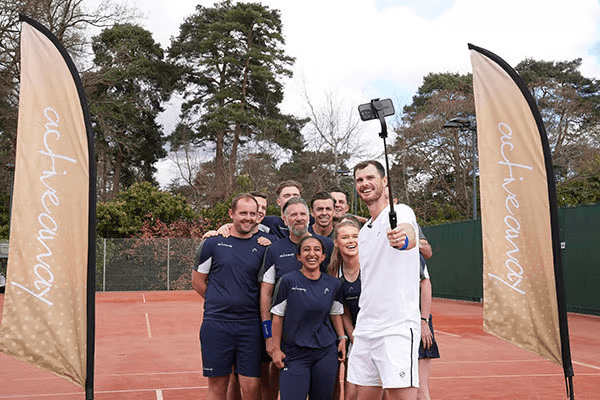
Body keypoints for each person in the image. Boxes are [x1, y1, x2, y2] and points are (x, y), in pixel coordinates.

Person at [347, 160, 420, 400]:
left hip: (396, 327)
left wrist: (403, 239)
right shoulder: (365, 231)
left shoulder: (400, 212)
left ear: (384, 181)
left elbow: (407, 233)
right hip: (366, 328)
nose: (365, 184)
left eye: (370, 178)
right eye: (359, 180)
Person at [192, 193, 267, 400]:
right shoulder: (212, 243)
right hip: (216, 325)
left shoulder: (263, 247)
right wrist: (218, 299)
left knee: (251, 387)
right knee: (217, 388)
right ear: (231, 213)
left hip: (250, 326)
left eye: (253, 214)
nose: (248, 218)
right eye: (243, 213)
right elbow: (197, 281)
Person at [259, 197, 334, 399]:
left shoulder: (327, 245)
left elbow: (336, 292)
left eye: (302, 214)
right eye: (293, 215)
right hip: (288, 342)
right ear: (284, 220)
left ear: (309, 217)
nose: (299, 218)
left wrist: (341, 337)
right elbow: (266, 295)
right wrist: (270, 338)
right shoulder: (274, 250)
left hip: (323, 342)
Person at [269, 235, 347, 400]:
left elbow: (335, 313)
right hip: (294, 353)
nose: (312, 254)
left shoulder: (333, 284)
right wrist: (276, 349)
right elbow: (277, 317)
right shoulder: (287, 281)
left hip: (325, 352)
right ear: (298, 256)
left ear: (323, 257)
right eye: (306, 249)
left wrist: (342, 337)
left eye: (317, 250)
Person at [327, 216, 363, 400]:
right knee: (351, 389)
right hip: (350, 332)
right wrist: (353, 336)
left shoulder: (371, 265)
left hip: (377, 329)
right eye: (345, 237)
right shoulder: (334, 271)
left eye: (355, 236)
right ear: (336, 242)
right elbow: (342, 310)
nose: (351, 241)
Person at [417, 228, 439, 400]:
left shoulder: (414, 255)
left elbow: (425, 283)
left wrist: (424, 321)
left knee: (420, 387)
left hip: (417, 321)